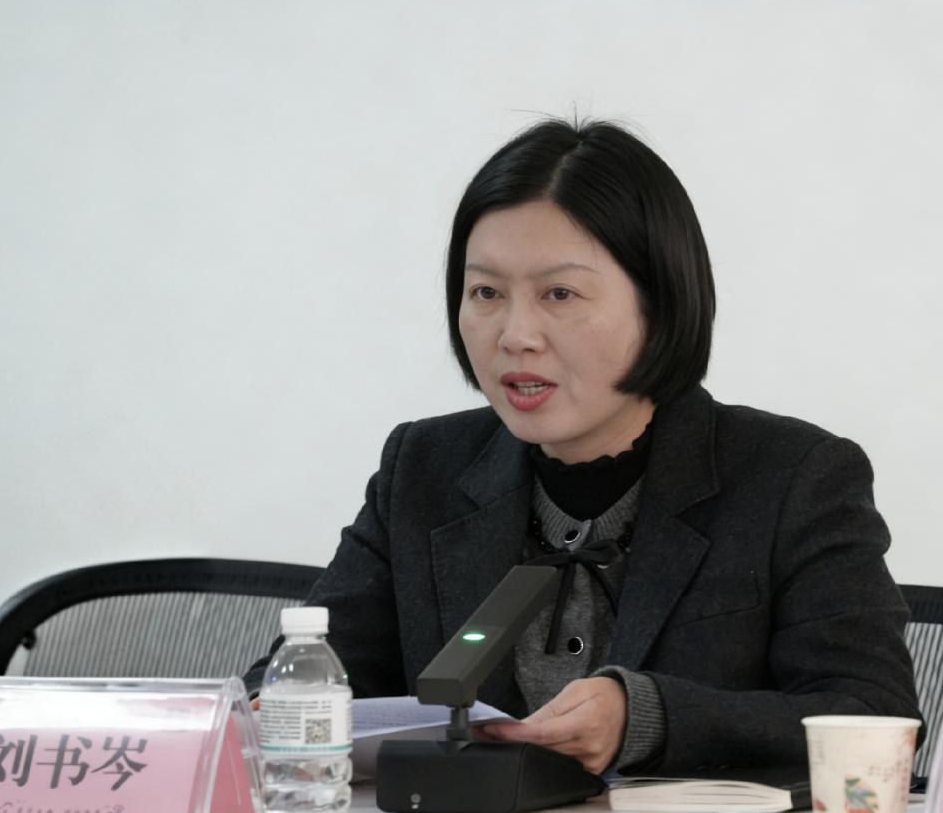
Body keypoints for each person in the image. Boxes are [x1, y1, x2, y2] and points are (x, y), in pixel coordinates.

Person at [246, 118, 921, 776]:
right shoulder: (423, 468)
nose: (516, 335)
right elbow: (306, 677)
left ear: (660, 304)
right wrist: (261, 713)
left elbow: (873, 715)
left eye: (560, 294)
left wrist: (648, 717)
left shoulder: (794, 476)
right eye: (486, 292)